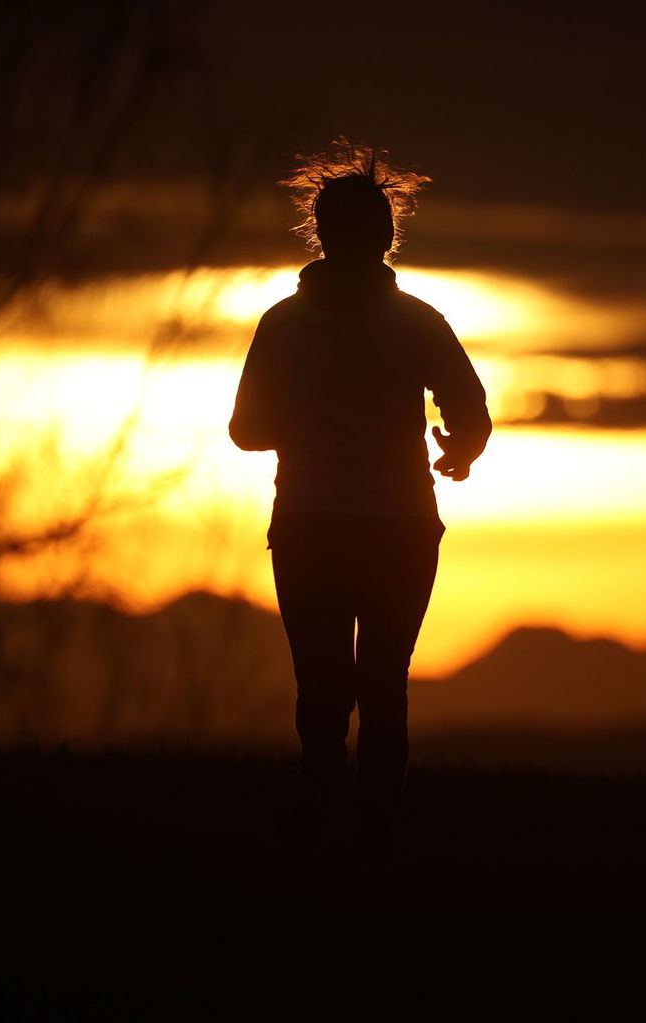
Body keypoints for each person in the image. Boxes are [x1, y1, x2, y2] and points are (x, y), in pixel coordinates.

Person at [229, 139, 491, 852]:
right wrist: (457, 453)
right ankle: (381, 833)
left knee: (320, 686)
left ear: (321, 231)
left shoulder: (281, 325)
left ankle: (322, 826)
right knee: (383, 685)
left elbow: (245, 430)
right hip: (401, 528)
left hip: (309, 525)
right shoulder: (419, 322)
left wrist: (304, 427)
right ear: (386, 237)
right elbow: (471, 411)